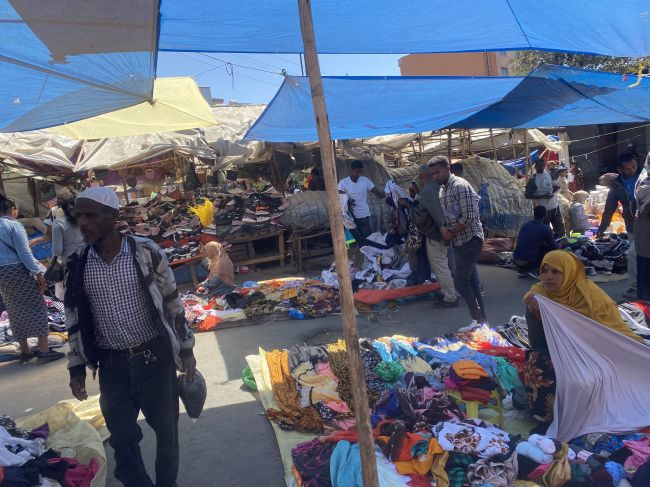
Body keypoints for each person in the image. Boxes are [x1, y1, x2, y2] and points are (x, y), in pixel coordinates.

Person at [65, 187, 196, 487]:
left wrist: (186, 348)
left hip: (155, 359)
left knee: (167, 435)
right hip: (112, 367)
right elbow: (73, 317)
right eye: (79, 216)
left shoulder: (146, 251)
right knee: (122, 440)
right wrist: (75, 367)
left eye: (91, 215)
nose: (83, 223)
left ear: (114, 216)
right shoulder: (78, 263)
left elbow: (172, 303)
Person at [522, 250, 643, 423]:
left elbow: (614, 333)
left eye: (556, 272)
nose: (548, 277)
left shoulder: (591, 297)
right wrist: (537, 316)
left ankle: (582, 416)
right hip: (558, 351)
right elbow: (537, 342)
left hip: (593, 351)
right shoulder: (537, 296)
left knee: (591, 377)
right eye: (544, 271)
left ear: (570, 272)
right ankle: (545, 416)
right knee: (536, 359)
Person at [0, 195, 64, 364]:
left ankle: (25, 352)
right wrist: (38, 273)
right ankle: (43, 351)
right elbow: (25, 253)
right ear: (11, 210)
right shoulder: (14, 225)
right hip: (18, 270)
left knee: (14, 310)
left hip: (2, 275)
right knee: (37, 306)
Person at [430, 156, 487, 322]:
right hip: (459, 240)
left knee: (460, 282)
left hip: (471, 239)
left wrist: (451, 231)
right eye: (432, 173)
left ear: (448, 168)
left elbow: (470, 217)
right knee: (472, 282)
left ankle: (477, 318)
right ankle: (481, 322)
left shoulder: (460, 186)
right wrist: (445, 229)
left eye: (438, 172)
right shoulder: (443, 190)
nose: (435, 177)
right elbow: (449, 216)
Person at [413, 162, 457, 307]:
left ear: (422, 176)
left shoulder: (428, 190)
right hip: (447, 231)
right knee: (443, 264)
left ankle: (450, 297)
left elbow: (437, 212)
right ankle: (446, 292)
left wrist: (443, 230)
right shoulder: (441, 187)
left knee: (440, 265)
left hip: (437, 234)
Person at [596, 153, 639, 300]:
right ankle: (637, 287)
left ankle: (635, 287)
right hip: (632, 224)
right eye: (627, 169)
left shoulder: (644, 177)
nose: (632, 171)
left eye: (633, 167)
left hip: (646, 221)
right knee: (637, 255)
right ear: (620, 170)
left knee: (634, 254)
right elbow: (609, 208)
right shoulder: (617, 186)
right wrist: (601, 228)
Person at [337, 160, 386, 240]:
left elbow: (379, 195)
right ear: (351, 170)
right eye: (357, 172)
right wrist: (348, 201)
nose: (358, 174)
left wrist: (387, 191)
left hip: (365, 214)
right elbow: (340, 198)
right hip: (353, 217)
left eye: (360, 172)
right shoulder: (343, 183)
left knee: (370, 238)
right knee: (359, 240)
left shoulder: (365, 180)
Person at [51, 189, 85, 301]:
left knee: (75, 297)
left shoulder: (58, 223)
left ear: (61, 207)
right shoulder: (84, 219)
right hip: (88, 259)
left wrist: (53, 262)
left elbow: (57, 251)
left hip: (70, 264)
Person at [525, 159, 565, 237]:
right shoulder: (533, 180)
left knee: (560, 228)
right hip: (543, 210)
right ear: (536, 166)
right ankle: (547, 247)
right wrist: (543, 196)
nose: (542, 167)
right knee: (545, 231)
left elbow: (554, 185)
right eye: (540, 165)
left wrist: (556, 189)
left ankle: (562, 244)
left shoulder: (548, 174)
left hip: (555, 206)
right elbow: (527, 195)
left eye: (543, 165)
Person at [513, 206, 558, 276]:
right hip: (531, 262)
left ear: (534, 214)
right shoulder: (545, 228)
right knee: (551, 250)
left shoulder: (525, 225)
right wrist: (562, 244)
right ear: (545, 215)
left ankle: (526, 268)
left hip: (515, 260)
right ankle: (539, 269)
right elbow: (555, 246)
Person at [635, 154, 650, 301]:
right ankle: (644, 303)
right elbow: (646, 206)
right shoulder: (645, 183)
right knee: (645, 269)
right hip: (646, 234)